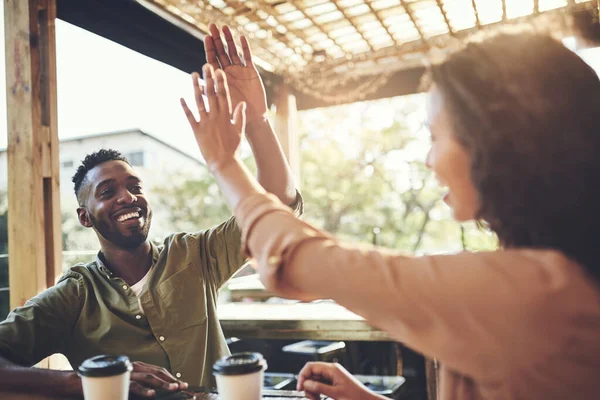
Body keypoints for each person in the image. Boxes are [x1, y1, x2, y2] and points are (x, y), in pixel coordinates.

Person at [181, 29, 600, 400]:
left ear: (494, 142)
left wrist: (225, 162)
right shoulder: (558, 276)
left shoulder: (534, 293)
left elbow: (301, 261)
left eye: (434, 136)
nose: (428, 160)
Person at [0, 24, 301, 399]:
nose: (127, 197)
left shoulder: (195, 256)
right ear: (84, 217)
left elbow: (278, 204)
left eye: (134, 187)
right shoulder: (72, 298)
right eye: (108, 192)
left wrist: (256, 120)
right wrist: (83, 382)